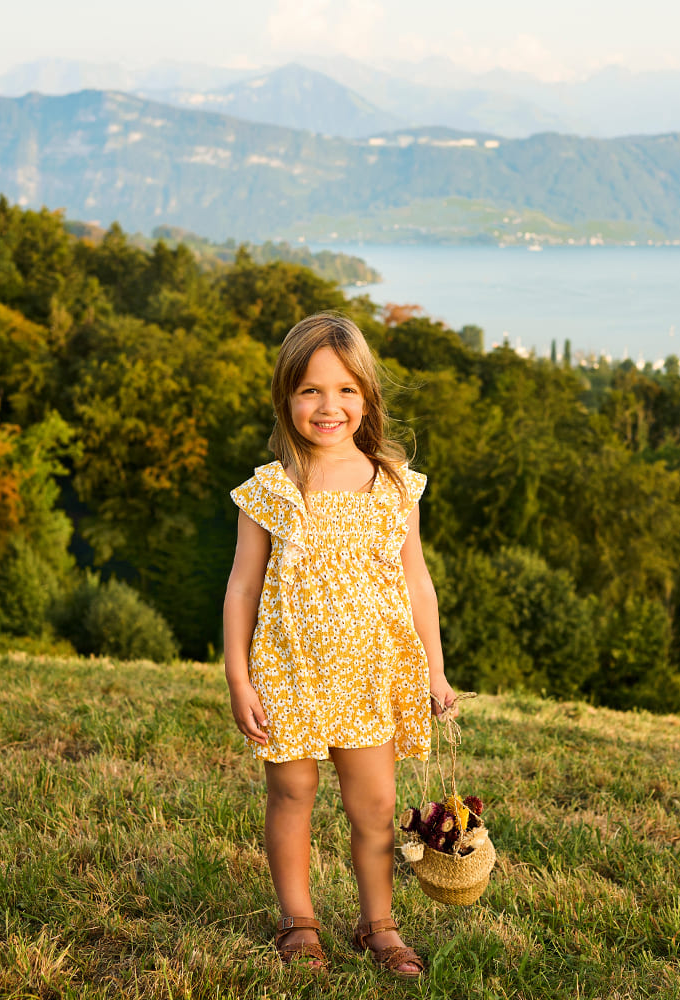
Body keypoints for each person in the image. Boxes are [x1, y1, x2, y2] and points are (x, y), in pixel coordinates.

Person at [222, 311, 457, 978]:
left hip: (370, 674)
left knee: (375, 805)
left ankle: (378, 925)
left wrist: (434, 672)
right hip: (288, 671)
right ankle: (298, 921)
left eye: (346, 390)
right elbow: (241, 589)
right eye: (311, 391)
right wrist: (240, 680)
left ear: (367, 396)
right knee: (292, 793)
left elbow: (418, 583)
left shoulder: (392, 485)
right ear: (286, 398)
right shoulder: (270, 489)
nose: (329, 406)